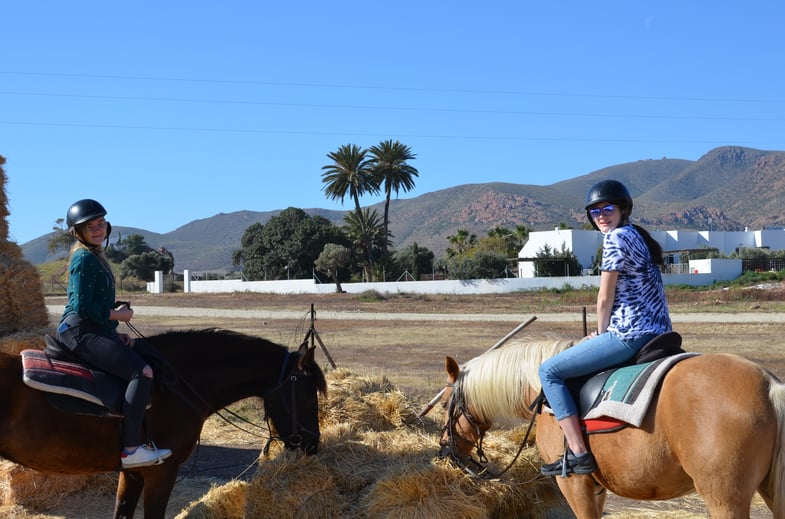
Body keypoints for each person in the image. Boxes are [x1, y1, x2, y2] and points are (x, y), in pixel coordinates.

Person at [538, 180, 671, 477]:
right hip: (659, 331)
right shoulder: (638, 235)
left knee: (549, 372)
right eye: (595, 211)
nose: (601, 215)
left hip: (629, 333)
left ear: (623, 209)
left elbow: (604, 297)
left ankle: (578, 453)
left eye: (608, 209)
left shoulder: (615, 238)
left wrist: (601, 332)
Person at [56, 199, 172, 469]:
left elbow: (95, 305)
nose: (97, 229)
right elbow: (84, 308)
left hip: (89, 328)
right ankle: (130, 450)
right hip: (78, 330)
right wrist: (118, 316)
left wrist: (113, 331)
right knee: (142, 372)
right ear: (78, 232)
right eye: (90, 226)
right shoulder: (84, 258)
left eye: (100, 223)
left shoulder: (94, 255)